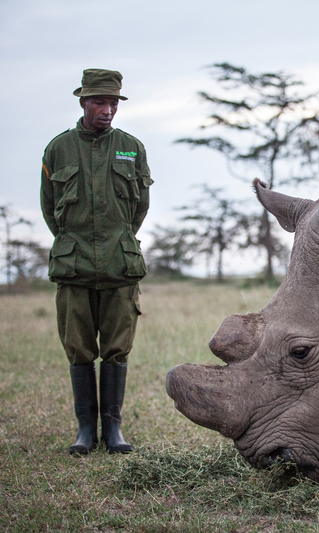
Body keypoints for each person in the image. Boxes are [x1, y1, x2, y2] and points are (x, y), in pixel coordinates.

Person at [41, 69, 152, 455]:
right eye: (99, 102)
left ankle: (113, 430)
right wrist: (76, 242)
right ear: (83, 102)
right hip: (75, 267)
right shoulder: (58, 149)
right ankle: (85, 429)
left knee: (117, 350)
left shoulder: (132, 147)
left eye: (113, 103)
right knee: (79, 349)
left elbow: (139, 208)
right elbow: (49, 210)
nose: (107, 110)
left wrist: (117, 238)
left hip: (120, 266)